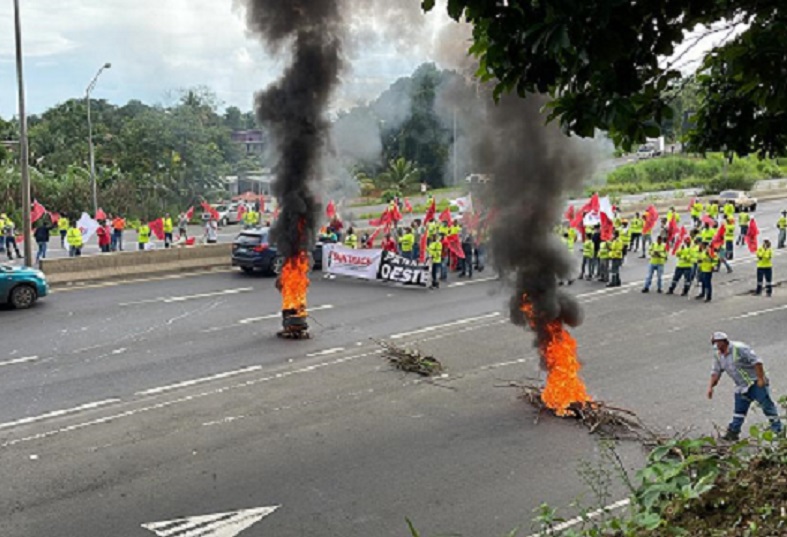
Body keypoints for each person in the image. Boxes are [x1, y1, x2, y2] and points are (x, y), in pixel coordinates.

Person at [708, 332, 783, 441]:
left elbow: (757, 362)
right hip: (741, 386)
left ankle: (777, 430)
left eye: (718, 343)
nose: (717, 346)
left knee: (767, 407)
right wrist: (711, 387)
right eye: (714, 343)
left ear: (724, 342)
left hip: (755, 383)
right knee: (739, 410)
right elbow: (716, 372)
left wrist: (761, 379)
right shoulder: (718, 355)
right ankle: (733, 432)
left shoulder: (740, 349)